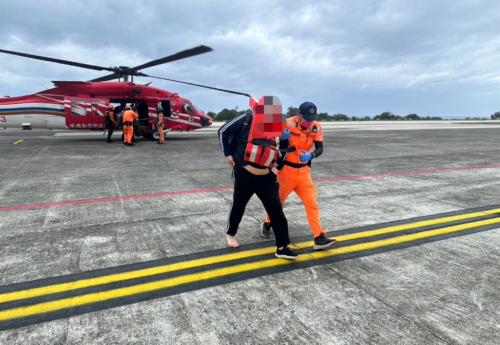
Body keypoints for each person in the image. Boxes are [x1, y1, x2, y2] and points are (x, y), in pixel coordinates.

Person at [218, 104, 299, 260]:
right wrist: (228, 155)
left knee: (276, 210)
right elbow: (222, 131)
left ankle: (282, 247)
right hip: (244, 173)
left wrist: (281, 156)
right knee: (239, 205)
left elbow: (283, 150)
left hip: (266, 177)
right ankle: (231, 233)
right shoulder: (246, 119)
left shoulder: (277, 126)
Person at [261, 101, 337, 251]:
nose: (310, 122)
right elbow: (267, 137)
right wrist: (281, 138)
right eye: (307, 118)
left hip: (304, 173)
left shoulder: (316, 126)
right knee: (277, 203)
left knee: (312, 204)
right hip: (286, 172)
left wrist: (311, 155)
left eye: (312, 118)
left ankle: (319, 237)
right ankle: (267, 223)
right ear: (299, 114)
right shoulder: (286, 123)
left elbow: (320, 148)